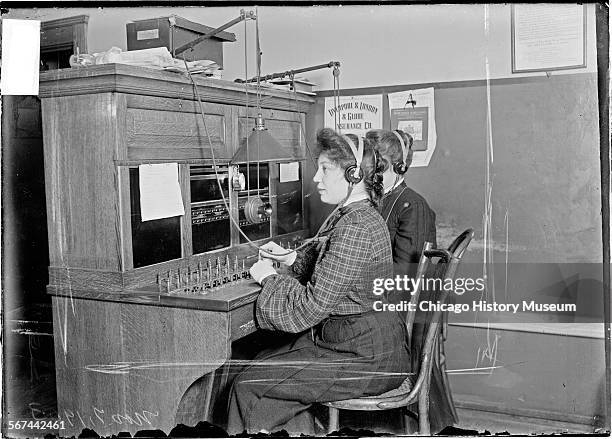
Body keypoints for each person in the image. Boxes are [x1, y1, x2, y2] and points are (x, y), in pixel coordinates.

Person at [226, 128, 410, 435]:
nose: (316, 179)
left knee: (250, 385)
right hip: (363, 343)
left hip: (363, 355)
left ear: (352, 174)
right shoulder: (357, 215)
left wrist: (269, 277)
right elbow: (337, 274)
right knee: (262, 362)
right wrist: (291, 260)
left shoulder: (355, 227)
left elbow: (308, 309)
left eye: (324, 170)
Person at [367, 128, 455, 433]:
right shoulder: (382, 200)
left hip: (400, 316)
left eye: (377, 168)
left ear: (398, 167)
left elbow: (405, 280)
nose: (370, 176)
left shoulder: (411, 205)